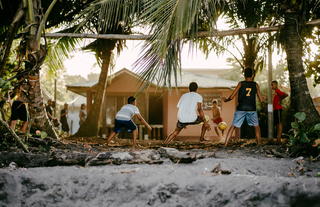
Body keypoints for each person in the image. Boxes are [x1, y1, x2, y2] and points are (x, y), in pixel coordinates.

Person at [223, 68, 264, 146]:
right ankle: (259, 144)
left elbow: (232, 96)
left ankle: (225, 144)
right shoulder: (255, 85)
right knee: (256, 127)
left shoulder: (241, 84)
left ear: (244, 75)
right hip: (252, 109)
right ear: (252, 75)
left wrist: (226, 100)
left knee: (233, 126)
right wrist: (265, 99)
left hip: (241, 108)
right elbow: (261, 99)